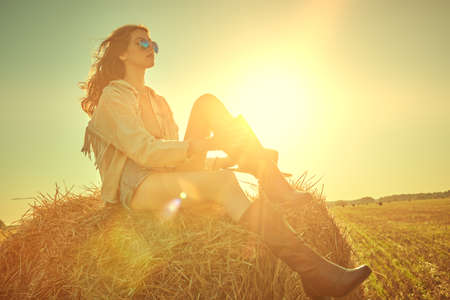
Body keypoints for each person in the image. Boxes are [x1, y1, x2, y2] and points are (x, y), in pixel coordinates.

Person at [79, 24, 371, 299]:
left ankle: (267, 175)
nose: (149, 47)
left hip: (166, 175)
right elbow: (146, 151)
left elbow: (177, 157)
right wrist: (206, 147)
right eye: (141, 42)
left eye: (153, 43)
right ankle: (313, 270)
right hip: (138, 185)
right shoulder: (114, 97)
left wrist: (223, 159)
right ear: (122, 53)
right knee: (224, 185)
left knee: (206, 103)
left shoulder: (158, 101)